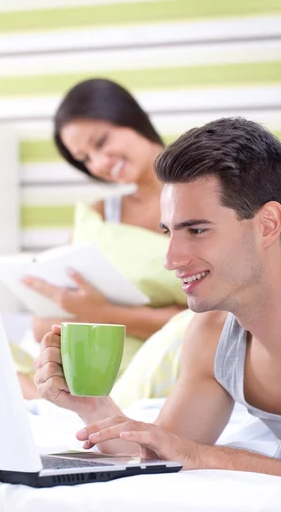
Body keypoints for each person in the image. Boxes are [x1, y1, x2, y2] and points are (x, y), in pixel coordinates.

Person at [34, 117, 281, 482]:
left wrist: (217, 458)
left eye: (196, 230)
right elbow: (162, 452)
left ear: (267, 224)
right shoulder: (212, 332)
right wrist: (90, 405)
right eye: (169, 231)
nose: (171, 259)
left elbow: (196, 454)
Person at [18, 78, 189, 401]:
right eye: (84, 159)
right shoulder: (98, 217)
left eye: (101, 142)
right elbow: (50, 322)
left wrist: (104, 314)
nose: (98, 164)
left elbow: (208, 322)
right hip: (84, 362)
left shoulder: (199, 198)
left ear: (131, 117)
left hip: (157, 367)